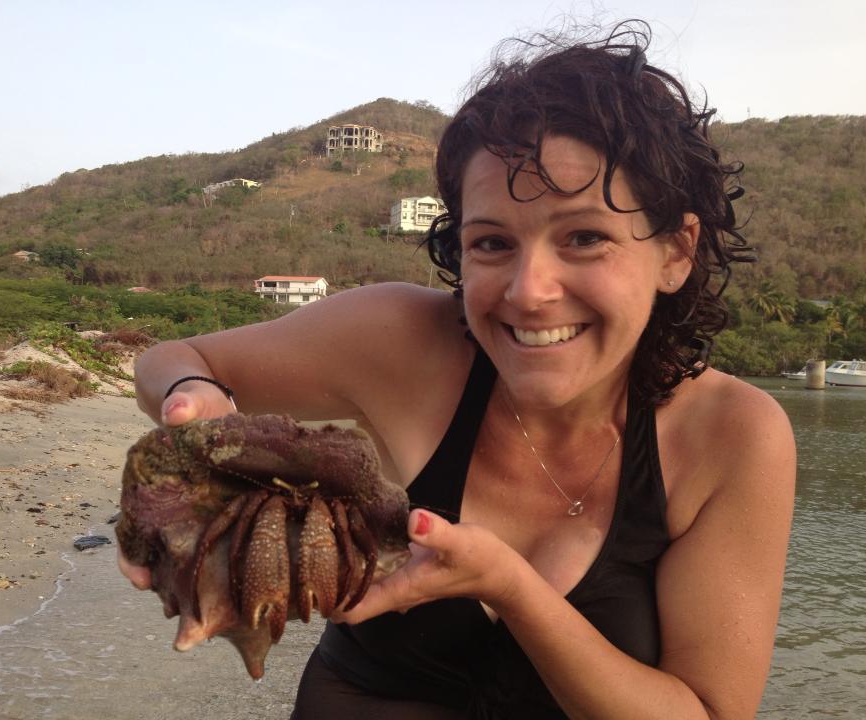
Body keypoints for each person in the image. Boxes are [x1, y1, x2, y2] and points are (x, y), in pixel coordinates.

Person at [119, 22, 795, 720]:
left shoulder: (730, 436)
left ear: (676, 251)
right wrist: (192, 403)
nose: (530, 291)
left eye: (585, 237)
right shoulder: (404, 345)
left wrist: (510, 587)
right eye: (493, 242)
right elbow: (174, 360)